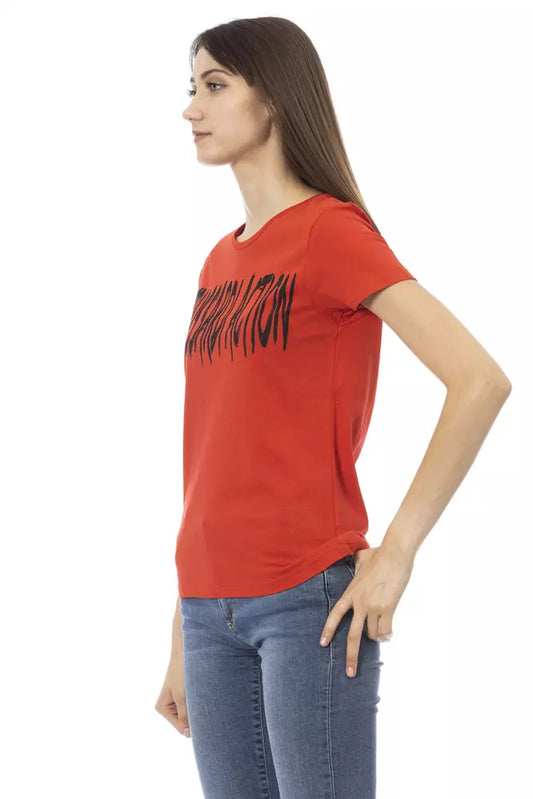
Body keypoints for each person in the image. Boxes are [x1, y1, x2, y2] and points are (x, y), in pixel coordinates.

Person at [154, 16, 512, 799]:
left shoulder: (329, 233)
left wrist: (396, 551)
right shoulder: (219, 261)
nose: (191, 108)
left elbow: (478, 379)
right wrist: (184, 622)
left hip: (304, 602)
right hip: (208, 607)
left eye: (214, 85)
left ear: (274, 97)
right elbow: (217, 449)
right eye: (192, 87)